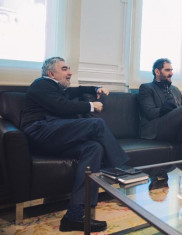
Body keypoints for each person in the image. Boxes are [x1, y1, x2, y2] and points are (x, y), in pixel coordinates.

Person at [20, 57, 130, 232]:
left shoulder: (56, 88)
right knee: (97, 124)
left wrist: (96, 88)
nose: (70, 72)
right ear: (51, 73)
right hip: (40, 132)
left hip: (54, 136)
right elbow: (61, 107)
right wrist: (91, 106)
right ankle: (122, 171)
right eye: (64, 69)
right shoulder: (42, 84)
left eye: (69, 68)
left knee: (94, 147)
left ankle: (74, 215)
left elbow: (78, 90)